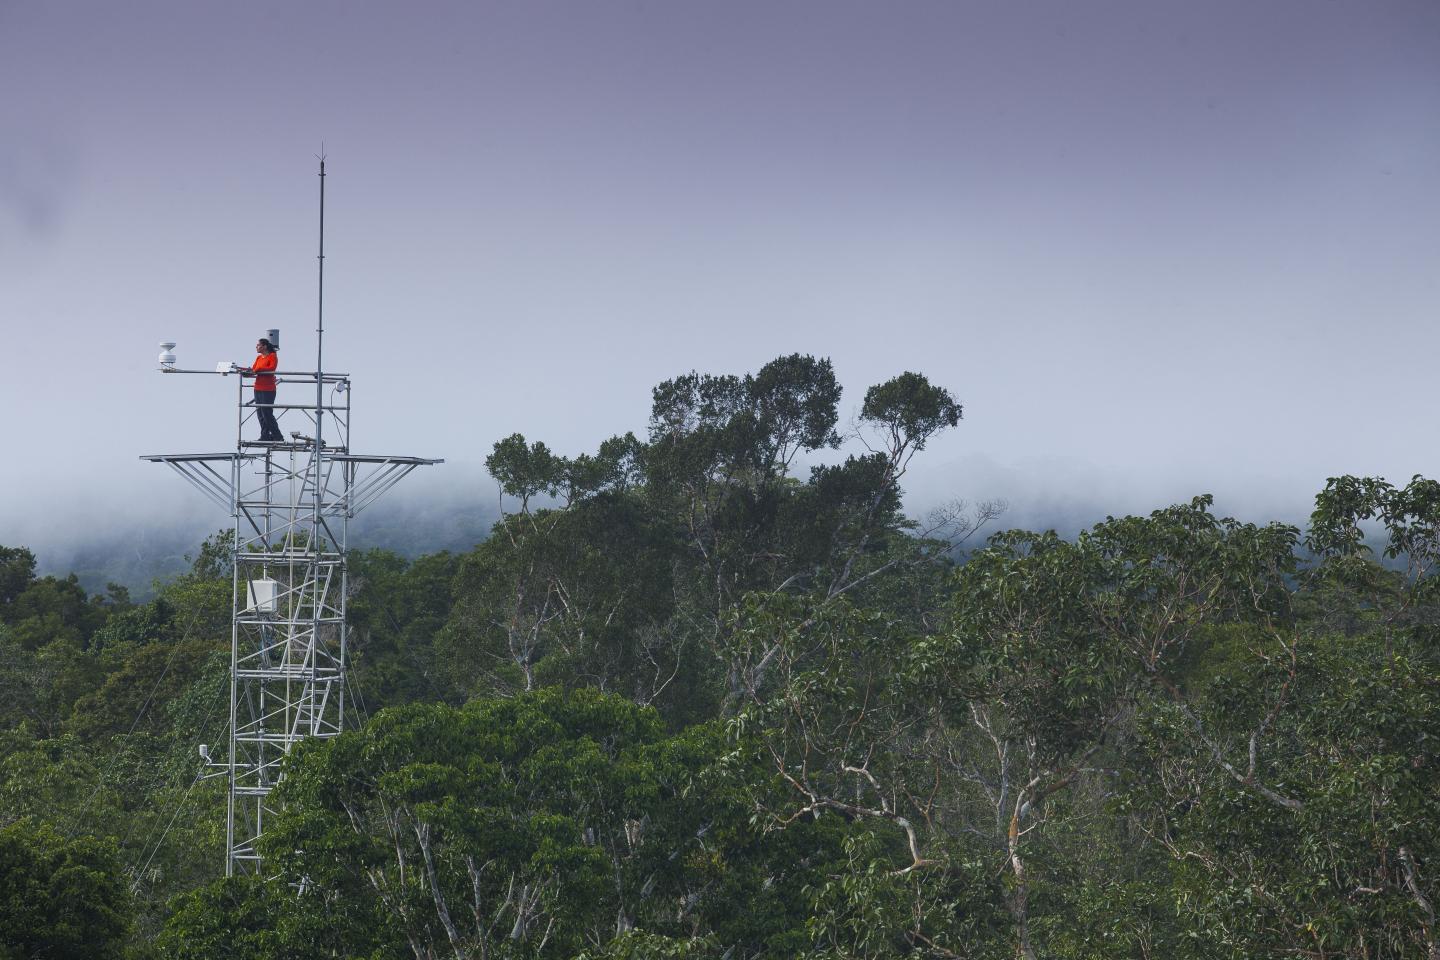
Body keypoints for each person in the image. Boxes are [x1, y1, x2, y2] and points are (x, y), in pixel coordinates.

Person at [241, 338, 283, 442]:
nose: (256, 347)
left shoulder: (272, 356)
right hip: (258, 387)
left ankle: (278, 436)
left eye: (258, 345)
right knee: (260, 413)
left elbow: (272, 368)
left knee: (267, 413)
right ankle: (265, 435)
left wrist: (258, 370)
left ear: (264, 346)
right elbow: (254, 369)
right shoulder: (259, 358)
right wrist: (246, 372)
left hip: (268, 388)